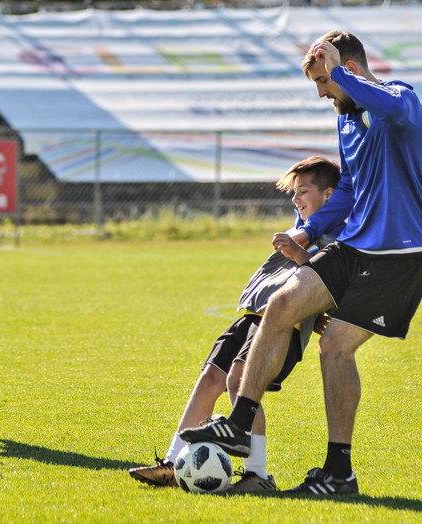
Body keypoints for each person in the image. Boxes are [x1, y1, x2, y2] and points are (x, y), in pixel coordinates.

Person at [180, 30, 422, 496]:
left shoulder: (399, 100)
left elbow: (392, 109)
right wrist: (306, 232)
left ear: (345, 70)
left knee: (335, 347)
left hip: (400, 253)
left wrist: (338, 73)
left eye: (323, 83)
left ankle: (338, 474)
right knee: (282, 302)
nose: (321, 93)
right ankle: (238, 422)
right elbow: (349, 187)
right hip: (355, 245)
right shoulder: (347, 122)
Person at [129, 156, 343, 493]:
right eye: (293, 192)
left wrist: (300, 256)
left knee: (241, 379)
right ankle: (173, 463)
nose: (295, 198)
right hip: (253, 315)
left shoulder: (338, 232)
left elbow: (331, 279)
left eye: (303, 190)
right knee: (211, 376)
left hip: (283, 325)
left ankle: (259, 475)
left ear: (330, 195)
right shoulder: (303, 225)